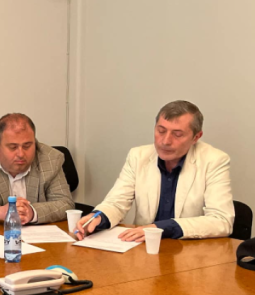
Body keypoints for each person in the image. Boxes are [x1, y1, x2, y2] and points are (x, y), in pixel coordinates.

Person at [76, 100, 234, 241]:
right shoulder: (138, 156)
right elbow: (116, 202)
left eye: (177, 134)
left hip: (190, 252)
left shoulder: (214, 160)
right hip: (143, 249)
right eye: (161, 131)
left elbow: (221, 220)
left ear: (196, 137)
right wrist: (98, 217)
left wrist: (161, 228)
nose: (165, 141)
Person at [0, 113, 74, 224]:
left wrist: (32, 212)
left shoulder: (50, 158)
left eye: (27, 146)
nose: (21, 154)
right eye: (13, 147)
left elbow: (65, 204)